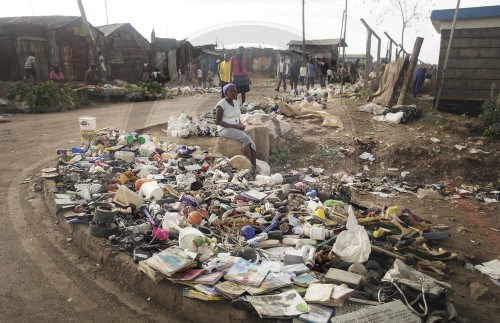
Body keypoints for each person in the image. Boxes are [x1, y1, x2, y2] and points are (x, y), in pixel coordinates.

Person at [215, 83, 256, 171]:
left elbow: (237, 117)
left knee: (251, 142)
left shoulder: (236, 103)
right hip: (224, 129)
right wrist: (235, 126)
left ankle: (254, 167)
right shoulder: (221, 105)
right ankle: (249, 167)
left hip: (235, 127)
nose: (233, 93)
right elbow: (218, 122)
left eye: (235, 91)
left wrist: (241, 124)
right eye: (231, 91)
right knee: (245, 139)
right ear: (226, 93)